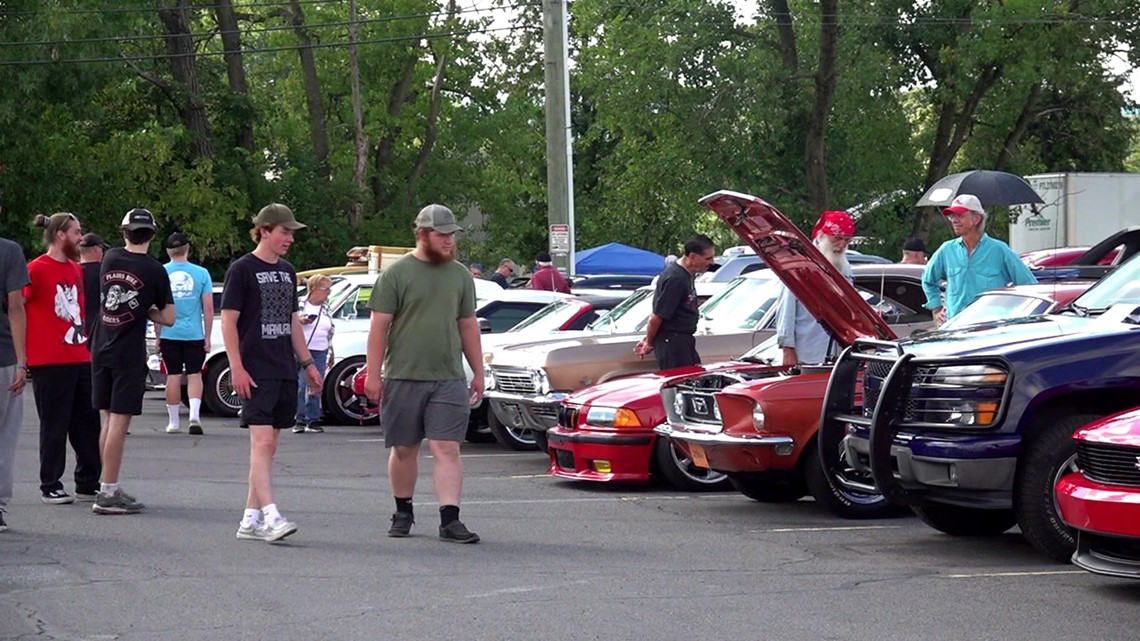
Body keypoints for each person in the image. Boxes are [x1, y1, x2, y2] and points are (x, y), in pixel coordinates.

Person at [363, 203, 484, 544]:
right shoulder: (396, 274)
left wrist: (478, 371)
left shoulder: (460, 275)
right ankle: (403, 511)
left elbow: (468, 325)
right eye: (442, 235)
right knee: (404, 448)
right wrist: (373, 375)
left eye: (452, 235)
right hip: (403, 375)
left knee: (448, 447)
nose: (449, 241)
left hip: (448, 377)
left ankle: (450, 519)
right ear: (422, 234)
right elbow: (378, 328)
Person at [222, 203, 321, 542]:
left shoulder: (288, 271)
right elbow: (229, 321)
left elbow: (293, 322)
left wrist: (308, 364)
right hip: (254, 369)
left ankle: (249, 521)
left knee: (269, 447)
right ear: (264, 230)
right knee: (262, 442)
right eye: (284, 231)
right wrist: (236, 367)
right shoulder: (242, 269)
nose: (289, 238)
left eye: (291, 233)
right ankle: (272, 516)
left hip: (283, 368)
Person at [90, 208, 174, 515]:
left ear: (124, 232)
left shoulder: (110, 258)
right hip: (127, 352)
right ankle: (108, 493)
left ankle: (106, 483)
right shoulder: (155, 270)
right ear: (152, 235)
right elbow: (169, 317)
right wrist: (146, 309)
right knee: (119, 421)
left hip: (101, 345)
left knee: (108, 419)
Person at [24, 213, 102, 506]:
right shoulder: (35, 269)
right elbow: (16, 306)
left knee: (88, 424)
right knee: (54, 425)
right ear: (60, 235)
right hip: (49, 360)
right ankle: (51, 483)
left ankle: (88, 481)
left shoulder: (75, 269)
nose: (81, 238)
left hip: (79, 354)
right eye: (76, 232)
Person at [922, 194, 1036, 324]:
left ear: (976, 219)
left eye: (960, 215)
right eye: (952, 216)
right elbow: (927, 280)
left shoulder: (999, 250)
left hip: (989, 328)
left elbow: (1030, 286)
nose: (954, 220)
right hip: (955, 327)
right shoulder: (947, 250)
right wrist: (936, 308)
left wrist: (1014, 314)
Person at [776, 211, 856, 366]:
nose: (841, 245)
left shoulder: (844, 266)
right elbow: (786, 310)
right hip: (806, 353)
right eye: (837, 239)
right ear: (821, 236)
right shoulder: (799, 264)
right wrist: (787, 349)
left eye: (846, 240)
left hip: (837, 353)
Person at [633, 235, 716, 369]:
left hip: (683, 341)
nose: (712, 262)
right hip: (673, 344)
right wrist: (649, 342)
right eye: (708, 258)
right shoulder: (675, 278)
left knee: (695, 375)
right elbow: (657, 316)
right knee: (683, 380)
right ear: (693, 256)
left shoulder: (687, 274)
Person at [159, 232, 213, 435]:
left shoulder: (161, 272)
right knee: (194, 375)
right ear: (188, 249)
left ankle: (173, 422)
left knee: (173, 376)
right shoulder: (202, 273)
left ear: (168, 251)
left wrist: (158, 336)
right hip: (194, 333)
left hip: (169, 332)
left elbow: (158, 307)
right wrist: (207, 337)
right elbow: (208, 308)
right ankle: (194, 416)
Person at [0, 236, 29, 532]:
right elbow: (15, 307)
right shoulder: (9, 251)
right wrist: (22, 360)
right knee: (5, 435)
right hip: (3, 356)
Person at [294, 274, 335, 434]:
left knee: (317, 384)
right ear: (314, 289)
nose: (328, 293)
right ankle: (299, 418)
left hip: (321, 349)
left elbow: (330, 331)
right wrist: (301, 320)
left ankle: (313, 419)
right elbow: (289, 320)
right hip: (303, 349)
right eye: (326, 289)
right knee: (302, 384)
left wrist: (331, 352)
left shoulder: (326, 308)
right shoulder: (300, 304)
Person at [78, 233, 110, 343]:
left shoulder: (71, 271)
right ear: (96, 250)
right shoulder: (106, 272)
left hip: (77, 326)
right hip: (100, 328)